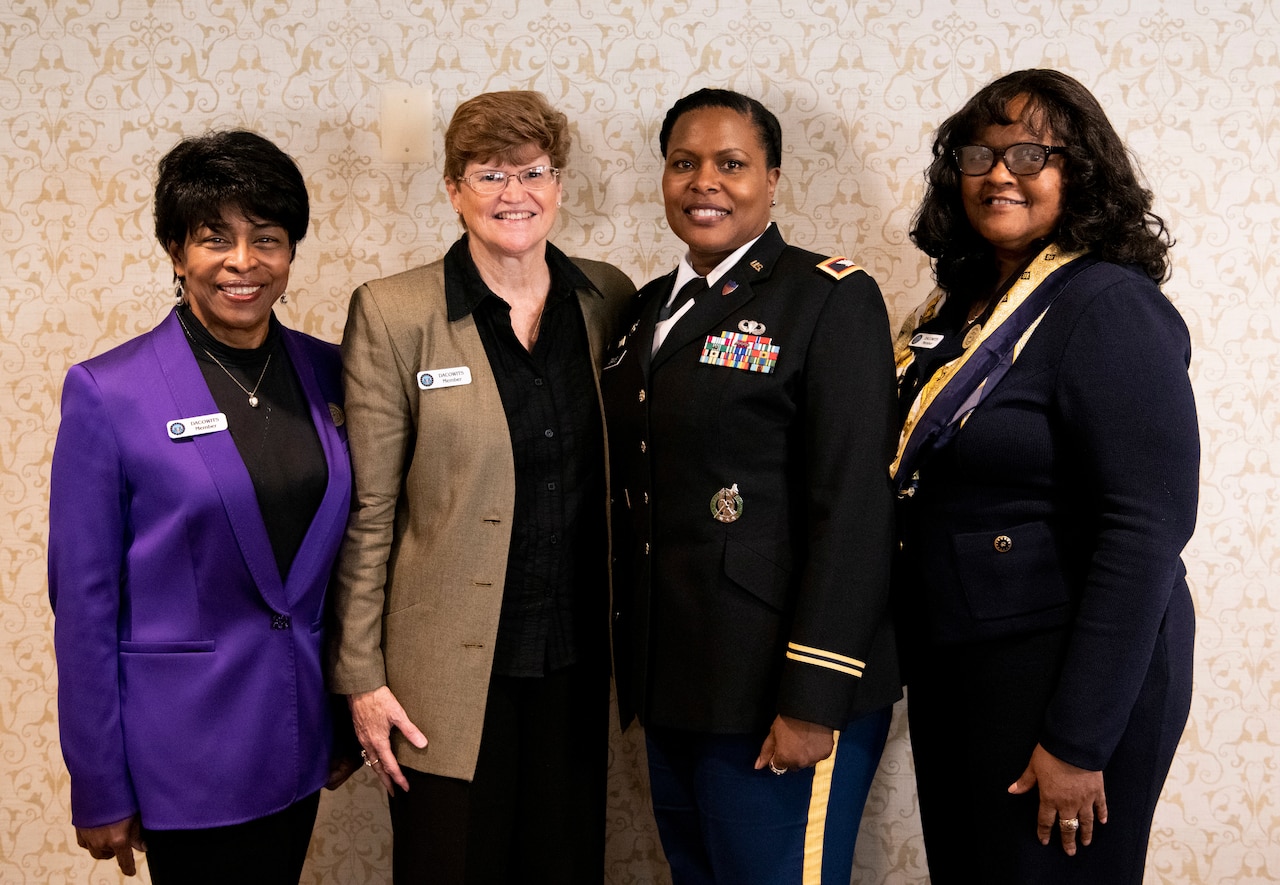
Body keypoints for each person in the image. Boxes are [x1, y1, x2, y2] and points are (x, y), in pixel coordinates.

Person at [894, 69, 1199, 883]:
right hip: (964, 659)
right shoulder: (955, 309)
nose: (999, 172)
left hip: (1064, 672)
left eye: (1031, 153)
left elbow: (1146, 531)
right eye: (979, 154)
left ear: (1081, 172)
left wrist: (1077, 737)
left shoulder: (1107, 305)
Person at [327, 90, 635, 883]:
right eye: (489, 173)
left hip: (573, 662)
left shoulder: (607, 298)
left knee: (565, 865)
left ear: (559, 184)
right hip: (442, 679)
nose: (514, 194)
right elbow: (371, 508)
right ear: (453, 187)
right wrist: (360, 674)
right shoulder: (394, 313)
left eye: (533, 171)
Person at [602, 88, 900, 884]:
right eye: (684, 163)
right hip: (678, 681)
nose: (706, 181)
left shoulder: (827, 297)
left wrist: (814, 694)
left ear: (772, 179)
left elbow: (857, 509)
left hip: (779, 686)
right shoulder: (641, 315)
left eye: (731, 163)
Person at [48, 130, 355, 884]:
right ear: (177, 251)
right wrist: (99, 781)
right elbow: (83, 605)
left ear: (291, 252)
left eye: (267, 238)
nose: (243, 261)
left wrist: (345, 713)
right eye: (215, 237)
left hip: (300, 734)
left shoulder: (329, 371)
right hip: (186, 757)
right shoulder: (108, 391)